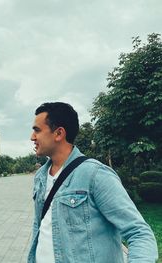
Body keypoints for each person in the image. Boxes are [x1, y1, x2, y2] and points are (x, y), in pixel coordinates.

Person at [28, 102, 158, 263]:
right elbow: (39, 226)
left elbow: (139, 233)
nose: (32, 137)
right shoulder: (41, 176)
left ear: (59, 133)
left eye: (37, 130)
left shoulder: (95, 174)